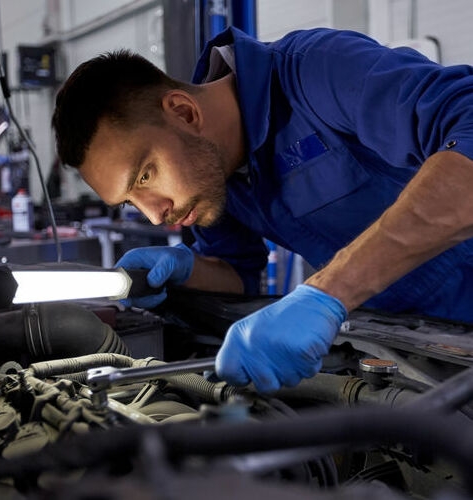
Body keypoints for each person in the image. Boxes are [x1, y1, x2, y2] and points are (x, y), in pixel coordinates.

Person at [52, 26, 473, 393]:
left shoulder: (317, 71)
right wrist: (186, 269)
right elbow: (238, 274)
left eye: (144, 176)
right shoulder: (214, 179)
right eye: (129, 200)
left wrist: (327, 294)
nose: (154, 215)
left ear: (183, 111)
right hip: (419, 350)